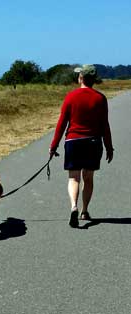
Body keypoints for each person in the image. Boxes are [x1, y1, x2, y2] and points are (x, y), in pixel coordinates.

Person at [49, 64, 114, 227]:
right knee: (88, 178)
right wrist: (109, 146)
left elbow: (62, 123)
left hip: (73, 142)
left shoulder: (71, 97)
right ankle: (85, 211)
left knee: (73, 177)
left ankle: (73, 206)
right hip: (93, 142)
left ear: (81, 78)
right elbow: (104, 125)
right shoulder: (100, 98)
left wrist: (53, 146)